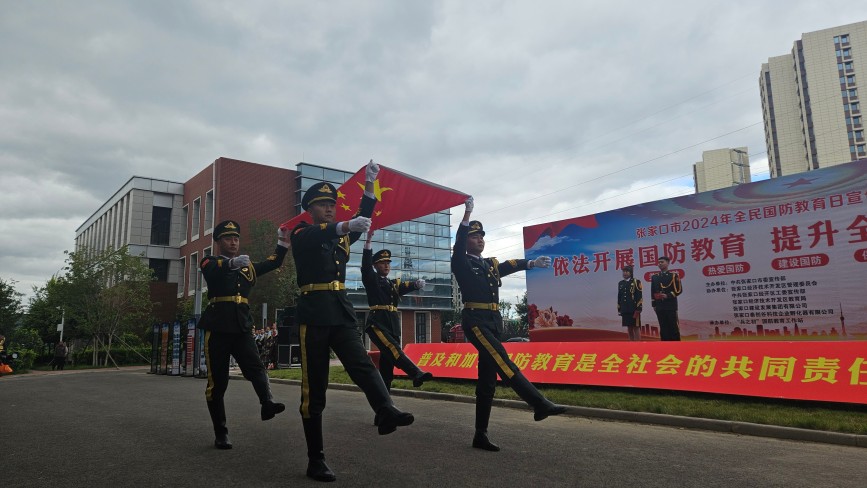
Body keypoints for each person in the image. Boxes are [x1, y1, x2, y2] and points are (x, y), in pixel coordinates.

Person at [290, 160, 414, 482]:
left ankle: (385, 410)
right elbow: (337, 230)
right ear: (310, 208)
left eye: (332, 205)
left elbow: (363, 216)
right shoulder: (301, 233)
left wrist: (371, 185)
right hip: (314, 315)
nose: (330, 209)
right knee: (314, 389)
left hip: (341, 311)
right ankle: (315, 459)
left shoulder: (341, 239)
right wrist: (346, 226)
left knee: (361, 365)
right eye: (323, 204)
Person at [451, 197, 567, 452]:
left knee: (487, 380)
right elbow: (459, 245)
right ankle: (538, 403)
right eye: (474, 236)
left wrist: (531, 264)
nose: (480, 239)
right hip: (476, 321)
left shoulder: (488, 264)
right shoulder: (460, 261)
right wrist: (467, 214)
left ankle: (480, 435)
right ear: (465, 240)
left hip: (493, 322)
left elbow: (508, 265)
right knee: (503, 360)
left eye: (482, 236)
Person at [197, 219, 289, 450]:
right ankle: (221, 432)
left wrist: (282, 242)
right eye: (228, 238)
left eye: (236, 238)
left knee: (256, 367)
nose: (233, 242)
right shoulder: (212, 261)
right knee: (218, 383)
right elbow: (210, 268)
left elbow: (274, 262)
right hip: (218, 328)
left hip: (241, 327)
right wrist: (231, 264)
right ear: (219, 242)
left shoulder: (248, 267)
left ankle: (267, 403)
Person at [361, 230, 433, 402]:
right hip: (378, 323)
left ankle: (384, 409)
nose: (386, 266)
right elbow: (365, 266)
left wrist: (416, 284)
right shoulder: (371, 279)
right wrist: (368, 244)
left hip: (392, 324)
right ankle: (416, 373)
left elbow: (404, 286)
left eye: (388, 263)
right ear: (375, 265)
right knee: (394, 349)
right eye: (382, 263)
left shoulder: (392, 284)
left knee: (387, 369)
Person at [651, 256, 682, 341]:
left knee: (673, 326)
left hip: (670, 305)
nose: (660, 264)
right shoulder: (655, 277)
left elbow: (679, 290)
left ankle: (676, 347)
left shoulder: (673, 276)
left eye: (662, 262)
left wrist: (667, 295)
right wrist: (654, 304)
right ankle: (665, 347)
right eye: (659, 262)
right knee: (663, 326)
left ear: (668, 263)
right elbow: (653, 291)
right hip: (659, 306)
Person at [617, 265, 643, 341]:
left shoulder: (636, 281)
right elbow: (619, 296)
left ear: (631, 273)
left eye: (626, 271)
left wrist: (639, 308)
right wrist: (619, 308)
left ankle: (638, 345)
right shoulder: (621, 283)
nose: (624, 273)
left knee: (636, 326)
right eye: (623, 272)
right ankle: (632, 344)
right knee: (629, 327)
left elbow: (639, 296)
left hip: (634, 308)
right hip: (625, 308)